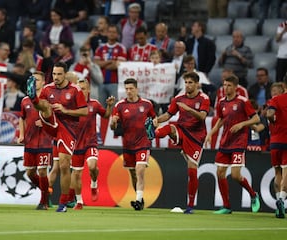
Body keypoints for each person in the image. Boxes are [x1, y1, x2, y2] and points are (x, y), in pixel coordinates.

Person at [26, 61, 88, 212]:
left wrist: (65, 110)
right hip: (51, 123)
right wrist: (35, 101)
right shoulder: (48, 89)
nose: (56, 77)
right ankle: (32, 96)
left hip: (68, 128)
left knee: (64, 165)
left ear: (65, 74)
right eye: (54, 74)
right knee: (44, 105)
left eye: (59, 74)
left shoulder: (75, 90)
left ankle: (62, 203)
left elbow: (84, 111)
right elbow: (41, 106)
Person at [153, 71, 210, 214]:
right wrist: (157, 120)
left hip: (196, 136)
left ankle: (190, 205)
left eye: (191, 82)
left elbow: (202, 117)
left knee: (192, 170)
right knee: (169, 128)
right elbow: (168, 114)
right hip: (182, 129)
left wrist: (189, 109)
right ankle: (154, 133)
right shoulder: (179, 98)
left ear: (197, 84)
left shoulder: (204, 98)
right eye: (186, 82)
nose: (188, 85)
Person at [205, 74, 261, 214]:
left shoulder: (243, 101)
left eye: (229, 85)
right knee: (220, 172)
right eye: (224, 85)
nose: (226, 87)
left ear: (236, 87)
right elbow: (221, 120)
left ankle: (253, 194)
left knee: (236, 175)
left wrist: (242, 124)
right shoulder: (222, 102)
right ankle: (227, 206)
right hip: (225, 142)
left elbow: (256, 118)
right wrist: (211, 133)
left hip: (239, 142)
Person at [110, 78, 156, 210]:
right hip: (128, 145)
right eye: (126, 89)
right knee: (134, 174)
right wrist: (113, 122)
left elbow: (155, 119)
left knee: (140, 169)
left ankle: (137, 200)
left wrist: (153, 127)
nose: (128, 91)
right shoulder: (119, 106)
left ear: (137, 89)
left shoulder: (147, 104)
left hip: (143, 144)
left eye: (131, 89)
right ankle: (140, 199)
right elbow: (113, 127)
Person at [71, 79, 115, 210]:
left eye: (83, 89)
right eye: (79, 89)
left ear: (88, 90)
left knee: (92, 166)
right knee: (76, 174)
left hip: (90, 142)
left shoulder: (94, 104)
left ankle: (94, 183)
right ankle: (79, 201)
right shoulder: (71, 105)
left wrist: (109, 106)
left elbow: (106, 116)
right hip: (75, 144)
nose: (81, 91)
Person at [17, 71, 53, 210]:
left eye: (37, 80)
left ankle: (43, 201)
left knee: (43, 171)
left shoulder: (47, 99)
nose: (34, 82)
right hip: (30, 141)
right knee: (30, 173)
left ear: (43, 82)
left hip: (45, 141)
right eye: (32, 80)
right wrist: (21, 134)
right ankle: (46, 191)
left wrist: (45, 123)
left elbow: (54, 118)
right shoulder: (25, 100)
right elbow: (22, 117)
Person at [266, 81, 286, 218]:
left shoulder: (275, 100)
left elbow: (269, 114)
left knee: (277, 172)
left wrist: (273, 121)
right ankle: (281, 200)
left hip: (275, 141)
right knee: (286, 172)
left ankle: (279, 203)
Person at [94, 24, 127, 106]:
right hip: (101, 83)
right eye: (110, 32)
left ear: (117, 34)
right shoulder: (100, 48)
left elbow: (117, 66)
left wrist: (103, 64)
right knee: (101, 108)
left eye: (114, 32)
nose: (111, 34)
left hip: (115, 83)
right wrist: (111, 61)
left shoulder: (121, 48)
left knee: (114, 108)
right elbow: (96, 64)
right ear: (106, 33)